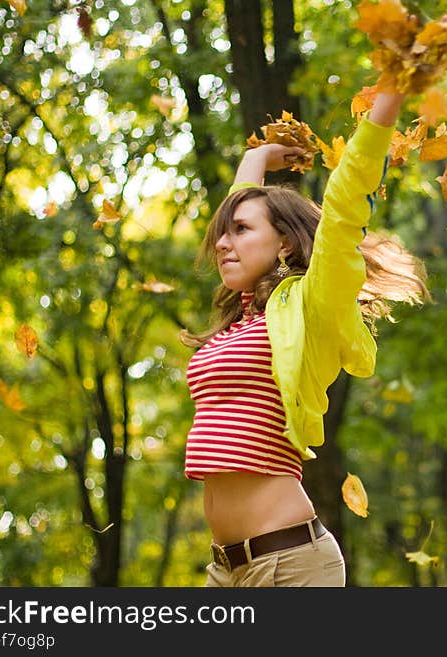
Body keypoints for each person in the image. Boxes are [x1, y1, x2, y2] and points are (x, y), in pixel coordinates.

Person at [179, 89, 430, 587]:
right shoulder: (239, 319)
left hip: (290, 564)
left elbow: (342, 205)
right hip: (226, 568)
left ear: (285, 243)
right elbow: (237, 219)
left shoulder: (310, 308)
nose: (224, 243)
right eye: (222, 233)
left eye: (242, 231)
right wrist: (255, 159)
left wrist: (390, 97)